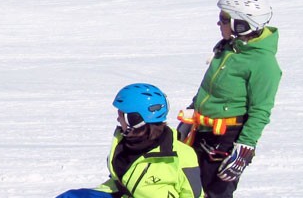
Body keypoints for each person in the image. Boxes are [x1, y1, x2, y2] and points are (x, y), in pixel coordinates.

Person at [176, 0, 282, 198]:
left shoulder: (263, 63)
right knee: (186, 187)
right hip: (202, 131)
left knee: (213, 192)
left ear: (241, 25)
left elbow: (260, 111)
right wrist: (189, 116)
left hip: (224, 139)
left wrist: (244, 150)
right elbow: (207, 89)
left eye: (224, 20)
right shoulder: (229, 49)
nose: (219, 24)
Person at [56, 83, 202, 198]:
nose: (118, 119)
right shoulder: (124, 142)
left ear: (135, 119)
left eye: (121, 115)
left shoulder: (181, 155)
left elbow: (194, 195)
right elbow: (119, 182)